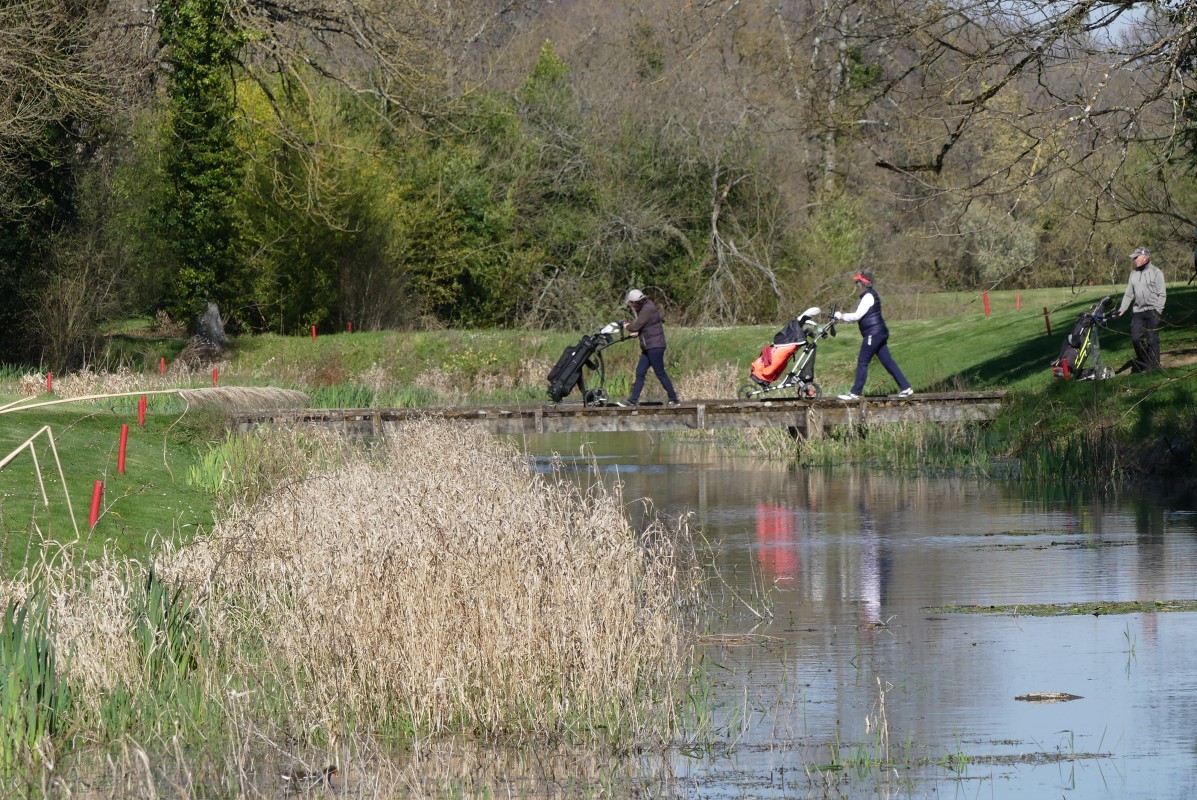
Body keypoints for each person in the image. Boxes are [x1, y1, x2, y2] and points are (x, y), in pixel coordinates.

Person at [833, 271, 914, 401]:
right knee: (887, 361)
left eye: (859, 282)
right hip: (879, 332)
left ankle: (855, 393)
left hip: (873, 334)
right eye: (857, 282)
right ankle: (906, 388)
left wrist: (841, 316)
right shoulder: (870, 295)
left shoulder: (868, 297)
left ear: (865, 283)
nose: (857, 284)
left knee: (862, 362)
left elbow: (857, 316)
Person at [616, 289, 680, 407]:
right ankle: (632, 400)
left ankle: (674, 399)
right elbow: (649, 325)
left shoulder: (646, 309)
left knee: (660, 373)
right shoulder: (646, 307)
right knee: (640, 372)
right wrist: (639, 332)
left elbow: (635, 326)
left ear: (636, 302)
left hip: (655, 346)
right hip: (649, 346)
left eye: (632, 303)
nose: (631, 306)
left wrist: (626, 325)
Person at [1112, 246, 1166, 373]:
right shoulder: (1133, 274)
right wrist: (1122, 309)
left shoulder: (1156, 272)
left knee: (1152, 339)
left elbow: (1162, 294)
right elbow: (1129, 294)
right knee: (1136, 339)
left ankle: (1155, 367)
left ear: (1145, 257)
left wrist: (1158, 311)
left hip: (1153, 310)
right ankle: (1145, 362)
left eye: (1136, 257)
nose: (1134, 260)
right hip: (1138, 312)